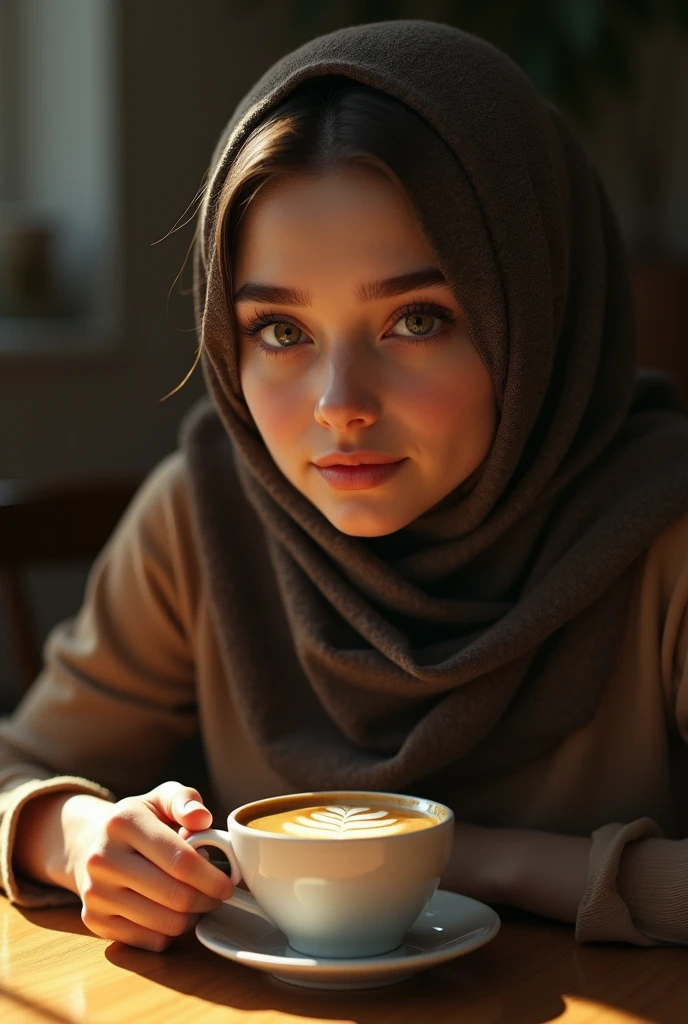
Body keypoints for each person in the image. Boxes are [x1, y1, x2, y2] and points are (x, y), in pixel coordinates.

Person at [2, 19, 688, 955]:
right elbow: (18, 766)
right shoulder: (205, 514)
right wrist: (78, 836)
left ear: (539, 307)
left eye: (416, 318)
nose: (339, 406)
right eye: (281, 331)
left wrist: (451, 856)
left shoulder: (665, 532)